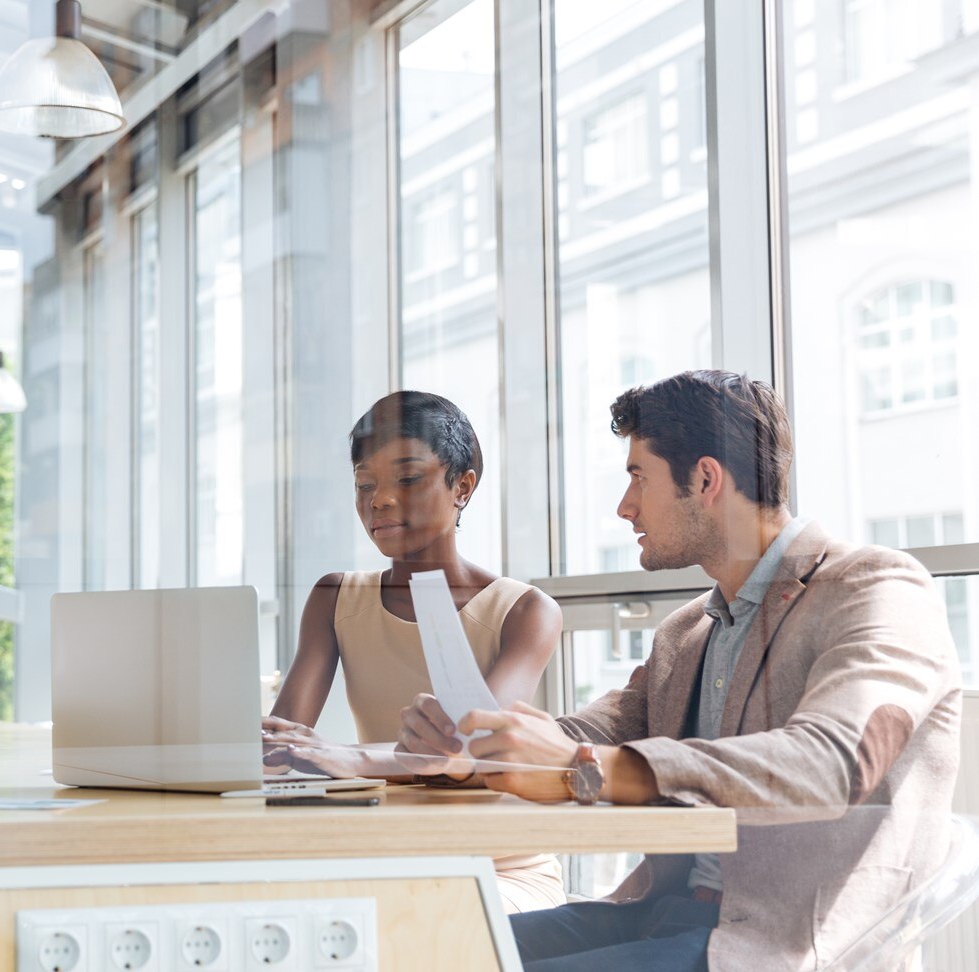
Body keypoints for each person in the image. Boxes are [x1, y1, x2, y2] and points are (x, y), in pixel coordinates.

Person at [399, 370, 961, 971]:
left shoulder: (874, 585)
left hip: (782, 941)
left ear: (706, 478)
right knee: (425, 950)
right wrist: (483, 743)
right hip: (662, 914)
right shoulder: (687, 630)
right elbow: (599, 733)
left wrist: (574, 768)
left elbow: (834, 762)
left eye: (637, 477)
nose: (624, 506)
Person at [262, 390, 566, 914]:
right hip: (385, 852)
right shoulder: (336, 598)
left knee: (406, 916)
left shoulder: (524, 611)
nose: (378, 499)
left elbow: (473, 748)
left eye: (406, 478)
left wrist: (349, 757)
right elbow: (285, 747)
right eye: (364, 484)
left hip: (498, 865)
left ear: (462, 486)